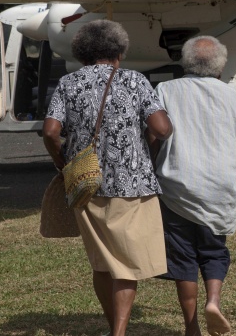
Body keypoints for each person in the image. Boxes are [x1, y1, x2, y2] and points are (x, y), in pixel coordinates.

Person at [42, 20, 173, 336]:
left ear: (82, 51)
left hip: (85, 181)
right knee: (126, 261)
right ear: (120, 50)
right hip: (132, 183)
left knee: (101, 260)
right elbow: (162, 128)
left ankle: (113, 326)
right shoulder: (135, 81)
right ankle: (119, 331)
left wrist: (61, 161)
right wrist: (147, 146)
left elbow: (50, 131)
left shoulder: (68, 83)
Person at [152, 36, 236, 336]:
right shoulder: (233, 97)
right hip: (217, 188)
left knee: (182, 257)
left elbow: (153, 134)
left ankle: (191, 326)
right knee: (213, 252)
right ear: (221, 67)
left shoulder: (165, 90)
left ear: (185, 62)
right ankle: (213, 301)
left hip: (175, 186)